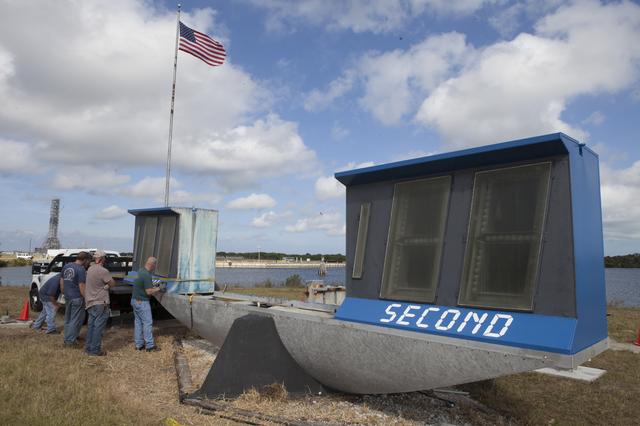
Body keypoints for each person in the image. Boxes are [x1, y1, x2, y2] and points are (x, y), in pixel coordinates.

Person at [84, 250, 116, 356]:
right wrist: (107, 286)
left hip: (90, 302)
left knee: (91, 326)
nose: (105, 260)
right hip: (100, 302)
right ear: (102, 259)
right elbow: (112, 283)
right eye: (105, 258)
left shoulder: (90, 269)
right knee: (98, 328)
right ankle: (95, 351)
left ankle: (88, 348)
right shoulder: (103, 271)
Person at [131, 257, 161, 351]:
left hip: (135, 300)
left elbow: (144, 285)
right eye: (154, 265)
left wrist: (153, 286)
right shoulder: (147, 275)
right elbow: (149, 292)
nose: (154, 267)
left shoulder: (140, 271)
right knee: (147, 323)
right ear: (152, 265)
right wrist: (160, 288)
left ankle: (139, 345)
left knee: (138, 323)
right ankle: (150, 346)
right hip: (142, 302)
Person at [61, 251, 90, 346]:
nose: (89, 263)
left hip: (68, 296)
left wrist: (63, 292)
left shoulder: (66, 266)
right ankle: (70, 341)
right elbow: (81, 285)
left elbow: (62, 281)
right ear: (85, 260)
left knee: (68, 319)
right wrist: (86, 298)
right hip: (77, 297)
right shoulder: (81, 269)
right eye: (88, 261)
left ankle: (68, 337)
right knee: (76, 319)